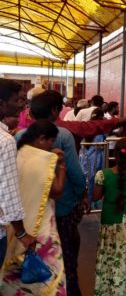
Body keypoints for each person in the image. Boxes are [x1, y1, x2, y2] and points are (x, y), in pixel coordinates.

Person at [18, 90, 86, 296]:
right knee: (66, 255)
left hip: (29, 211)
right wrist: (83, 193)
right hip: (62, 207)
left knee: (38, 255)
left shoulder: (19, 136)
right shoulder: (62, 135)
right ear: (55, 110)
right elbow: (75, 173)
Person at [2, 120, 67, 295]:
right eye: (51, 141)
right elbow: (57, 190)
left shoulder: (19, 152)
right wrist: (60, 166)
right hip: (41, 226)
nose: (52, 145)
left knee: (16, 273)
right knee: (50, 272)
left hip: (16, 225)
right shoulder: (44, 160)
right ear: (41, 139)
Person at [92, 138, 126, 296]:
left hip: (108, 219)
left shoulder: (102, 174)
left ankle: (107, 290)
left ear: (114, 155)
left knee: (108, 256)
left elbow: (95, 197)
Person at [0, 79, 35, 267]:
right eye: (16, 101)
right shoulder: (5, 141)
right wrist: (22, 233)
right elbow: (8, 193)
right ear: (1, 104)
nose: (21, 106)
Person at [79, 107, 106, 209]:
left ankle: (87, 202)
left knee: (87, 180)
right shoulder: (101, 128)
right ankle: (94, 202)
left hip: (86, 157)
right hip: (97, 157)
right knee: (96, 180)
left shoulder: (86, 126)